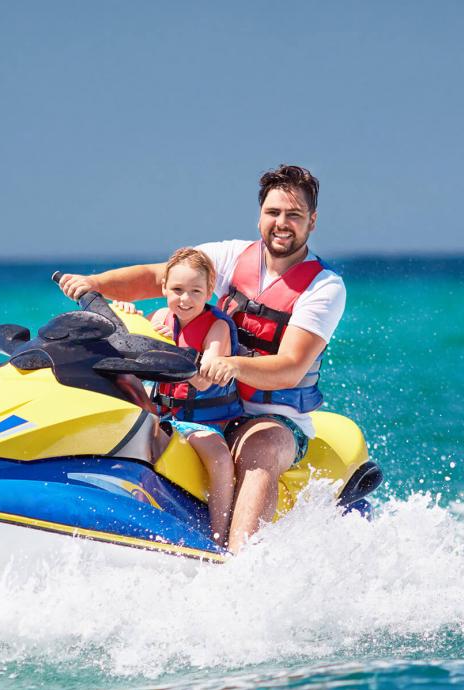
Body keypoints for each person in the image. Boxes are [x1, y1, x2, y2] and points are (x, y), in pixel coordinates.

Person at [59, 165, 345, 552]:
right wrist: (95, 285)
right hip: (203, 409)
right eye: (273, 212)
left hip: (271, 418)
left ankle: (241, 562)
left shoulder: (324, 287)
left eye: (293, 215)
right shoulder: (227, 257)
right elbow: (156, 277)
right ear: (260, 215)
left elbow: (292, 366)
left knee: (259, 448)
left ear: (312, 221)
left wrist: (232, 364)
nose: (282, 223)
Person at [112, 247, 243, 545]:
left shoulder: (217, 328)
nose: (185, 299)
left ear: (210, 290)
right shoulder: (158, 316)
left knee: (221, 460)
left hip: (205, 423)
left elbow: (205, 381)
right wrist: (127, 315)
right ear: (163, 288)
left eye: (196, 291)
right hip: (163, 414)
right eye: (177, 290)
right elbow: (127, 351)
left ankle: (220, 538)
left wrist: (166, 345)